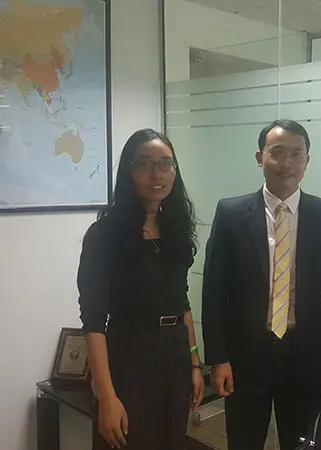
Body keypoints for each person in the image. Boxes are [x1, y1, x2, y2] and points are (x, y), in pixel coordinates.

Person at [202, 119, 321, 450]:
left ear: (307, 161)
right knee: (244, 440)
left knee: (300, 441)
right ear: (260, 157)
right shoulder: (231, 214)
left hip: (304, 356)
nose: (287, 163)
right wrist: (218, 358)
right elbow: (214, 292)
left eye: (297, 154)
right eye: (278, 153)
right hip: (245, 356)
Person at [78, 128, 204, 450]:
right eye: (144, 164)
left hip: (174, 357)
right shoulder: (104, 235)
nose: (156, 174)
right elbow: (93, 321)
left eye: (165, 164)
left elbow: (181, 302)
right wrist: (106, 396)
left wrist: (194, 362)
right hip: (128, 357)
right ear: (128, 170)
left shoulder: (176, 229)